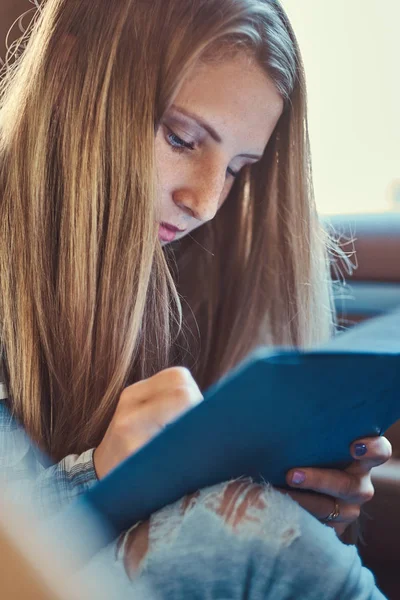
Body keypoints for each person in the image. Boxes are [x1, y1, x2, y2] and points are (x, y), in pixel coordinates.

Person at [0, 0, 391, 597]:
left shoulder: (193, 271)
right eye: (182, 139)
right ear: (71, 79)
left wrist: (304, 498)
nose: (206, 203)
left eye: (237, 168)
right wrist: (98, 478)